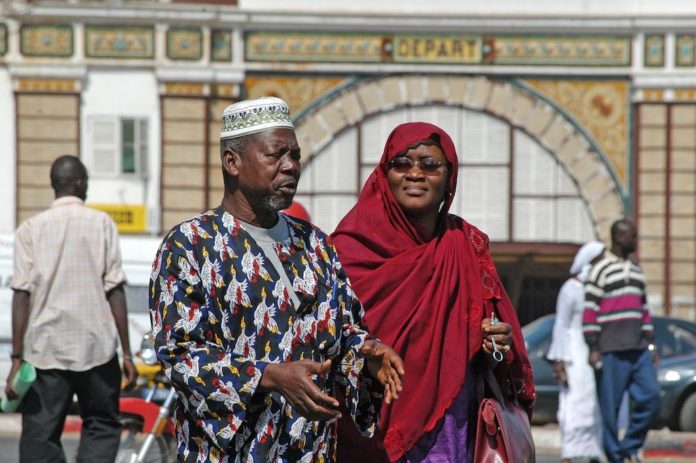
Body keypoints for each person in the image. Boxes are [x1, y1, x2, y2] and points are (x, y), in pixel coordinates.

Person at [149, 96, 405, 462]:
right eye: (276, 155)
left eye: (296, 156)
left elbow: (344, 331)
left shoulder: (315, 244)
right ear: (232, 161)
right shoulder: (191, 244)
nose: (291, 167)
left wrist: (368, 354)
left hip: (310, 450)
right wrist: (269, 376)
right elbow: (180, 354)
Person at [331, 122, 535, 462]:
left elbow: (495, 332)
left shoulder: (467, 245)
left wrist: (495, 343)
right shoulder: (347, 250)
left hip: (449, 428)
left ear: (449, 178)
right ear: (384, 173)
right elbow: (323, 339)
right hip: (366, 429)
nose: (415, 174)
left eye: (430, 165)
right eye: (401, 163)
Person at [5, 155, 137, 463]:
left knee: (40, 436)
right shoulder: (102, 223)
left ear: (54, 185)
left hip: (45, 352)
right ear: (79, 183)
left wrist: (16, 358)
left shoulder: (29, 230)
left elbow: (21, 296)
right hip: (98, 351)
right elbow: (114, 289)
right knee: (102, 426)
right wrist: (127, 352)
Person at [583, 219, 660, 463]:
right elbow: (590, 309)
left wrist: (651, 343)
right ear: (619, 237)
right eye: (632, 237)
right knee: (610, 410)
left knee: (651, 397)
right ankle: (615, 456)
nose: (636, 242)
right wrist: (593, 346)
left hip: (638, 349)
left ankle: (629, 446)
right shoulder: (600, 269)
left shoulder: (637, 270)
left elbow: (644, 309)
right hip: (610, 349)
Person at [547, 241, 605, 463]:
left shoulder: (599, 287)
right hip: (574, 353)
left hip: (595, 352)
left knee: (595, 404)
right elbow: (561, 324)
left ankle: (594, 452)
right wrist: (559, 359)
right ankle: (569, 454)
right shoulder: (570, 288)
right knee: (574, 403)